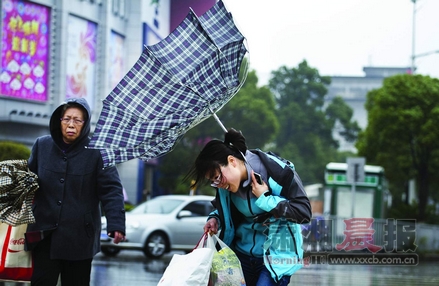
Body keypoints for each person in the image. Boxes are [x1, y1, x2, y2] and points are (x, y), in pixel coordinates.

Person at [188, 129, 311, 286]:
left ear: (232, 161)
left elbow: (304, 212)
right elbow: (226, 210)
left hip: (275, 259)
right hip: (240, 256)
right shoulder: (225, 186)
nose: (219, 184)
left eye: (218, 177)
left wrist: (265, 198)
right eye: (213, 181)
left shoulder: (277, 173)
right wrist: (215, 218)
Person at [25, 98, 126, 286]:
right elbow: (28, 181)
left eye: (78, 120)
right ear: (59, 121)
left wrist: (117, 223)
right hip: (44, 234)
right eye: (67, 119)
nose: (71, 124)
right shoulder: (42, 145)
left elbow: (111, 190)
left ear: (85, 124)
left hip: (80, 238)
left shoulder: (98, 151)